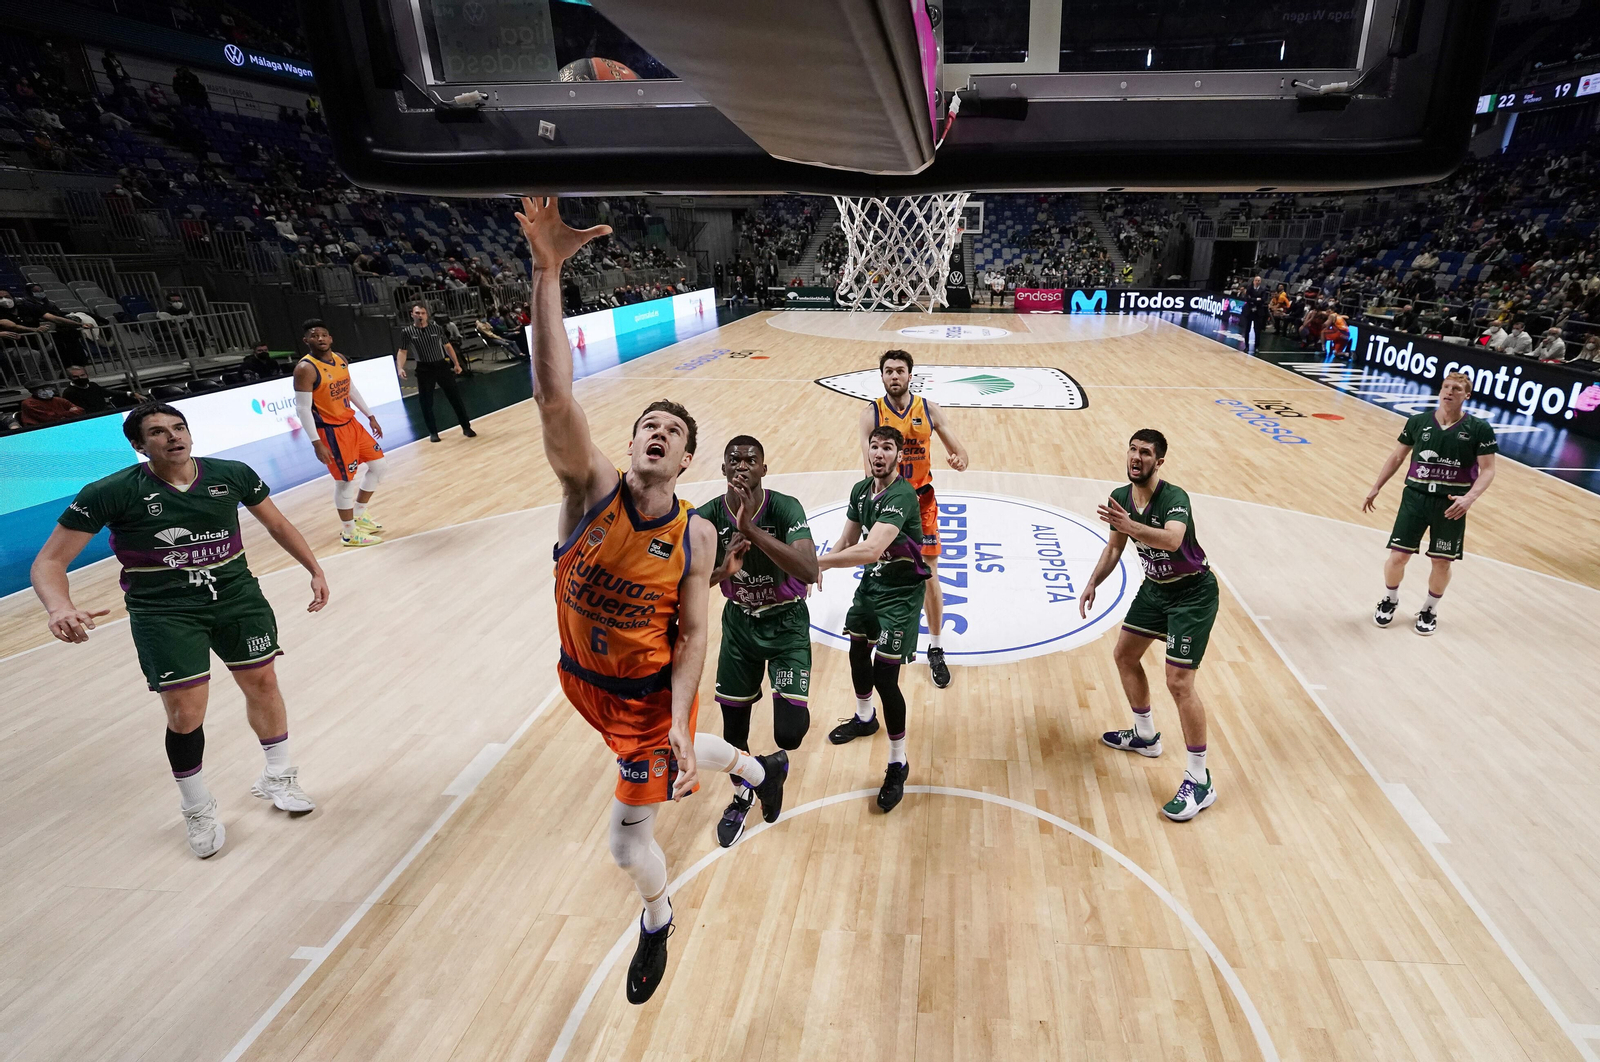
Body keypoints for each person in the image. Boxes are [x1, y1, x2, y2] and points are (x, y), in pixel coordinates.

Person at [514, 194, 786, 1005]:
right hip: (579, 681)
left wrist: (671, 716)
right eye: (647, 424)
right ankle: (756, 767)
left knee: (627, 842)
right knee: (682, 756)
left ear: (687, 458)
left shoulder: (696, 535)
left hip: (642, 699)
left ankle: (658, 920)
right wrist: (548, 272)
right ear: (629, 442)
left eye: (673, 430)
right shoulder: (587, 489)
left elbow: (695, 635)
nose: (658, 432)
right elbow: (554, 398)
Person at [30, 403, 328, 858]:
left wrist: (314, 568)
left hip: (236, 597)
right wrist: (59, 607)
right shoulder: (110, 492)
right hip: (163, 611)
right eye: (158, 432)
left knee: (263, 682)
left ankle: (278, 776)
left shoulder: (231, 474)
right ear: (139, 445)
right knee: (185, 714)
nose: (173, 436)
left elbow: (277, 523)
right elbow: (49, 561)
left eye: (179, 427)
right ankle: (197, 806)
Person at [1079, 429, 1220, 822]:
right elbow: (1114, 547)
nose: (1136, 457)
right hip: (1156, 590)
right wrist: (1093, 582)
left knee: (1179, 683)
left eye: (1145, 453)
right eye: (1133, 450)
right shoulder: (1120, 497)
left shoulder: (1174, 498)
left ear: (1159, 462)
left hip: (1192, 594)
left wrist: (1131, 526)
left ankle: (1200, 779)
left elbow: (1172, 541)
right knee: (1124, 655)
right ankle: (1145, 736)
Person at [697, 436, 818, 848]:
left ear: (764, 469)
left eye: (751, 460)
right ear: (723, 469)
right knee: (734, 728)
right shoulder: (707, 517)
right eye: (734, 460)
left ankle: (772, 765)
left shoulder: (785, 508)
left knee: (790, 734)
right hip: (740, 625)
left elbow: (808, 569)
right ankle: (744, 794)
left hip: (786, 624)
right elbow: (684, 582)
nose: (742, 465)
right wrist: (722, 571)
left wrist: (750, 529)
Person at [820, 425, 929, 813]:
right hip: (872, 584)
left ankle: (898, 762)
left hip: (901, 594)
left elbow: (869, 549)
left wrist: (816, 562)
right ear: (867, 451)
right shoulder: (860, 490)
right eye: (874, 446)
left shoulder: (902, 495)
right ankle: (865, 718)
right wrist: (820, 566)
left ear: (899, 455)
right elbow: (848, 541)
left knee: (885, 677)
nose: (879, 453)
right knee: (856, 650)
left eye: (887, 448)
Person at [857, 350, 968, 689]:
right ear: (882, 376)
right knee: (881, 571)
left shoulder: (929, 409)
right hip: (890, 501)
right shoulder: (871, 414)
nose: (894, 376)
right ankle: (876, 634)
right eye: (889, 371)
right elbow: (868, 467)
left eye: (900, 371)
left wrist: (959, 460)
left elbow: (961, 452)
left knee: (929, 575)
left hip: (922, 502)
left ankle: (935, 647)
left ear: (909, 375)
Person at [1363, 371, 1498, 636]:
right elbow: (1397, 457)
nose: (1450, 392)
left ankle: (1429, 609)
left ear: (1467, 395)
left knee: (1442, 562)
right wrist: (1377, 486)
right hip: (1416, 497)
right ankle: (1390, 599)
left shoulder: (1479, 429)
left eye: (1457, 389)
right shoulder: (1418, 422)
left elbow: (1489, 469)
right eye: (1446, 387)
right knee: (1398, 556)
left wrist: (1469, 498)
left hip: (1451, 504)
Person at [293, 320, 387, 547]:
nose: (320, 338)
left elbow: (350, 388)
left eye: (324, 334)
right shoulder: (305, 369)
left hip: (351, 423)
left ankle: (359, 513)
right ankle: (349, 533)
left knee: (379, 466)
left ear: (331, 338)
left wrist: (370, 415)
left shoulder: (340, 359)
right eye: (315, 335)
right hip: (331, 432)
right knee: (344, 481)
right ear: (306, 341)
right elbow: (302, 409)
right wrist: (316, 442)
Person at [396, 302, 476, 443]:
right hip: (424, 368)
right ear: (412, 315)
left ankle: (466, 427)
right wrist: (400, 367)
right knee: (426, 402)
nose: (420, 316)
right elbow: (402, 351)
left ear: (426, 315)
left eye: (423, 313)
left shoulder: (436, 328)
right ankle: (433, 432)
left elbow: (447, 346)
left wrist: (456, 363)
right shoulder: (407, 332)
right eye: (417, 313)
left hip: (440, 365)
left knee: (455, 397)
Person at [19, 381, 84, 427]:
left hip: (63, 425)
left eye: (47, 388)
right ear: (33, 392)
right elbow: (49, 418)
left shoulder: (58, 400)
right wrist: (70, 413)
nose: (46, 391)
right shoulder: (29, 403)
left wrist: (60, 415)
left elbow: (81, 411)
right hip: (40, 429)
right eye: (41, 389)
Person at [1241, 275, 1270, 350]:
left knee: (1257, 330)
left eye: (1259, 281)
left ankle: (1256, 346)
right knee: (1247, 329)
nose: (1257, 282)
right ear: (1253, 281)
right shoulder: (1249, 289)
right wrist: (1256, 299)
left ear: (1260, 282)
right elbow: (1247, 299)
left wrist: (1253, 299)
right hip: (1249, 311)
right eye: (1256, 280)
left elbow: (1263, 300)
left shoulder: (1263, 290)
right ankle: (1246, 346)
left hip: (1258, 312)